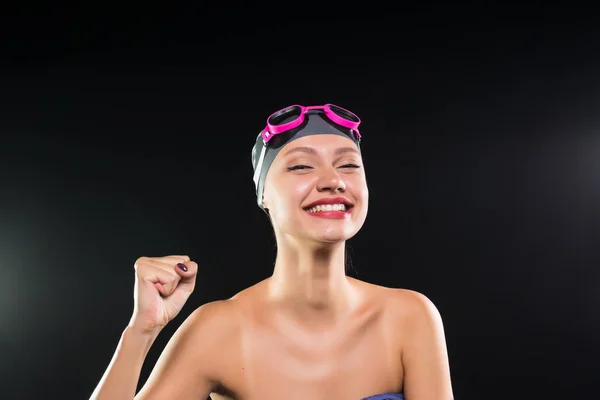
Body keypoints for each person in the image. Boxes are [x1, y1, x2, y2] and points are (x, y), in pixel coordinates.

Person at [89, 104, 454, 400]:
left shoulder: (410, 317)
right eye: (301, 166)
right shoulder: (219, 329)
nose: (333, 180)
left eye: (348, 165)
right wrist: (142, 331)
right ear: (263, 194)